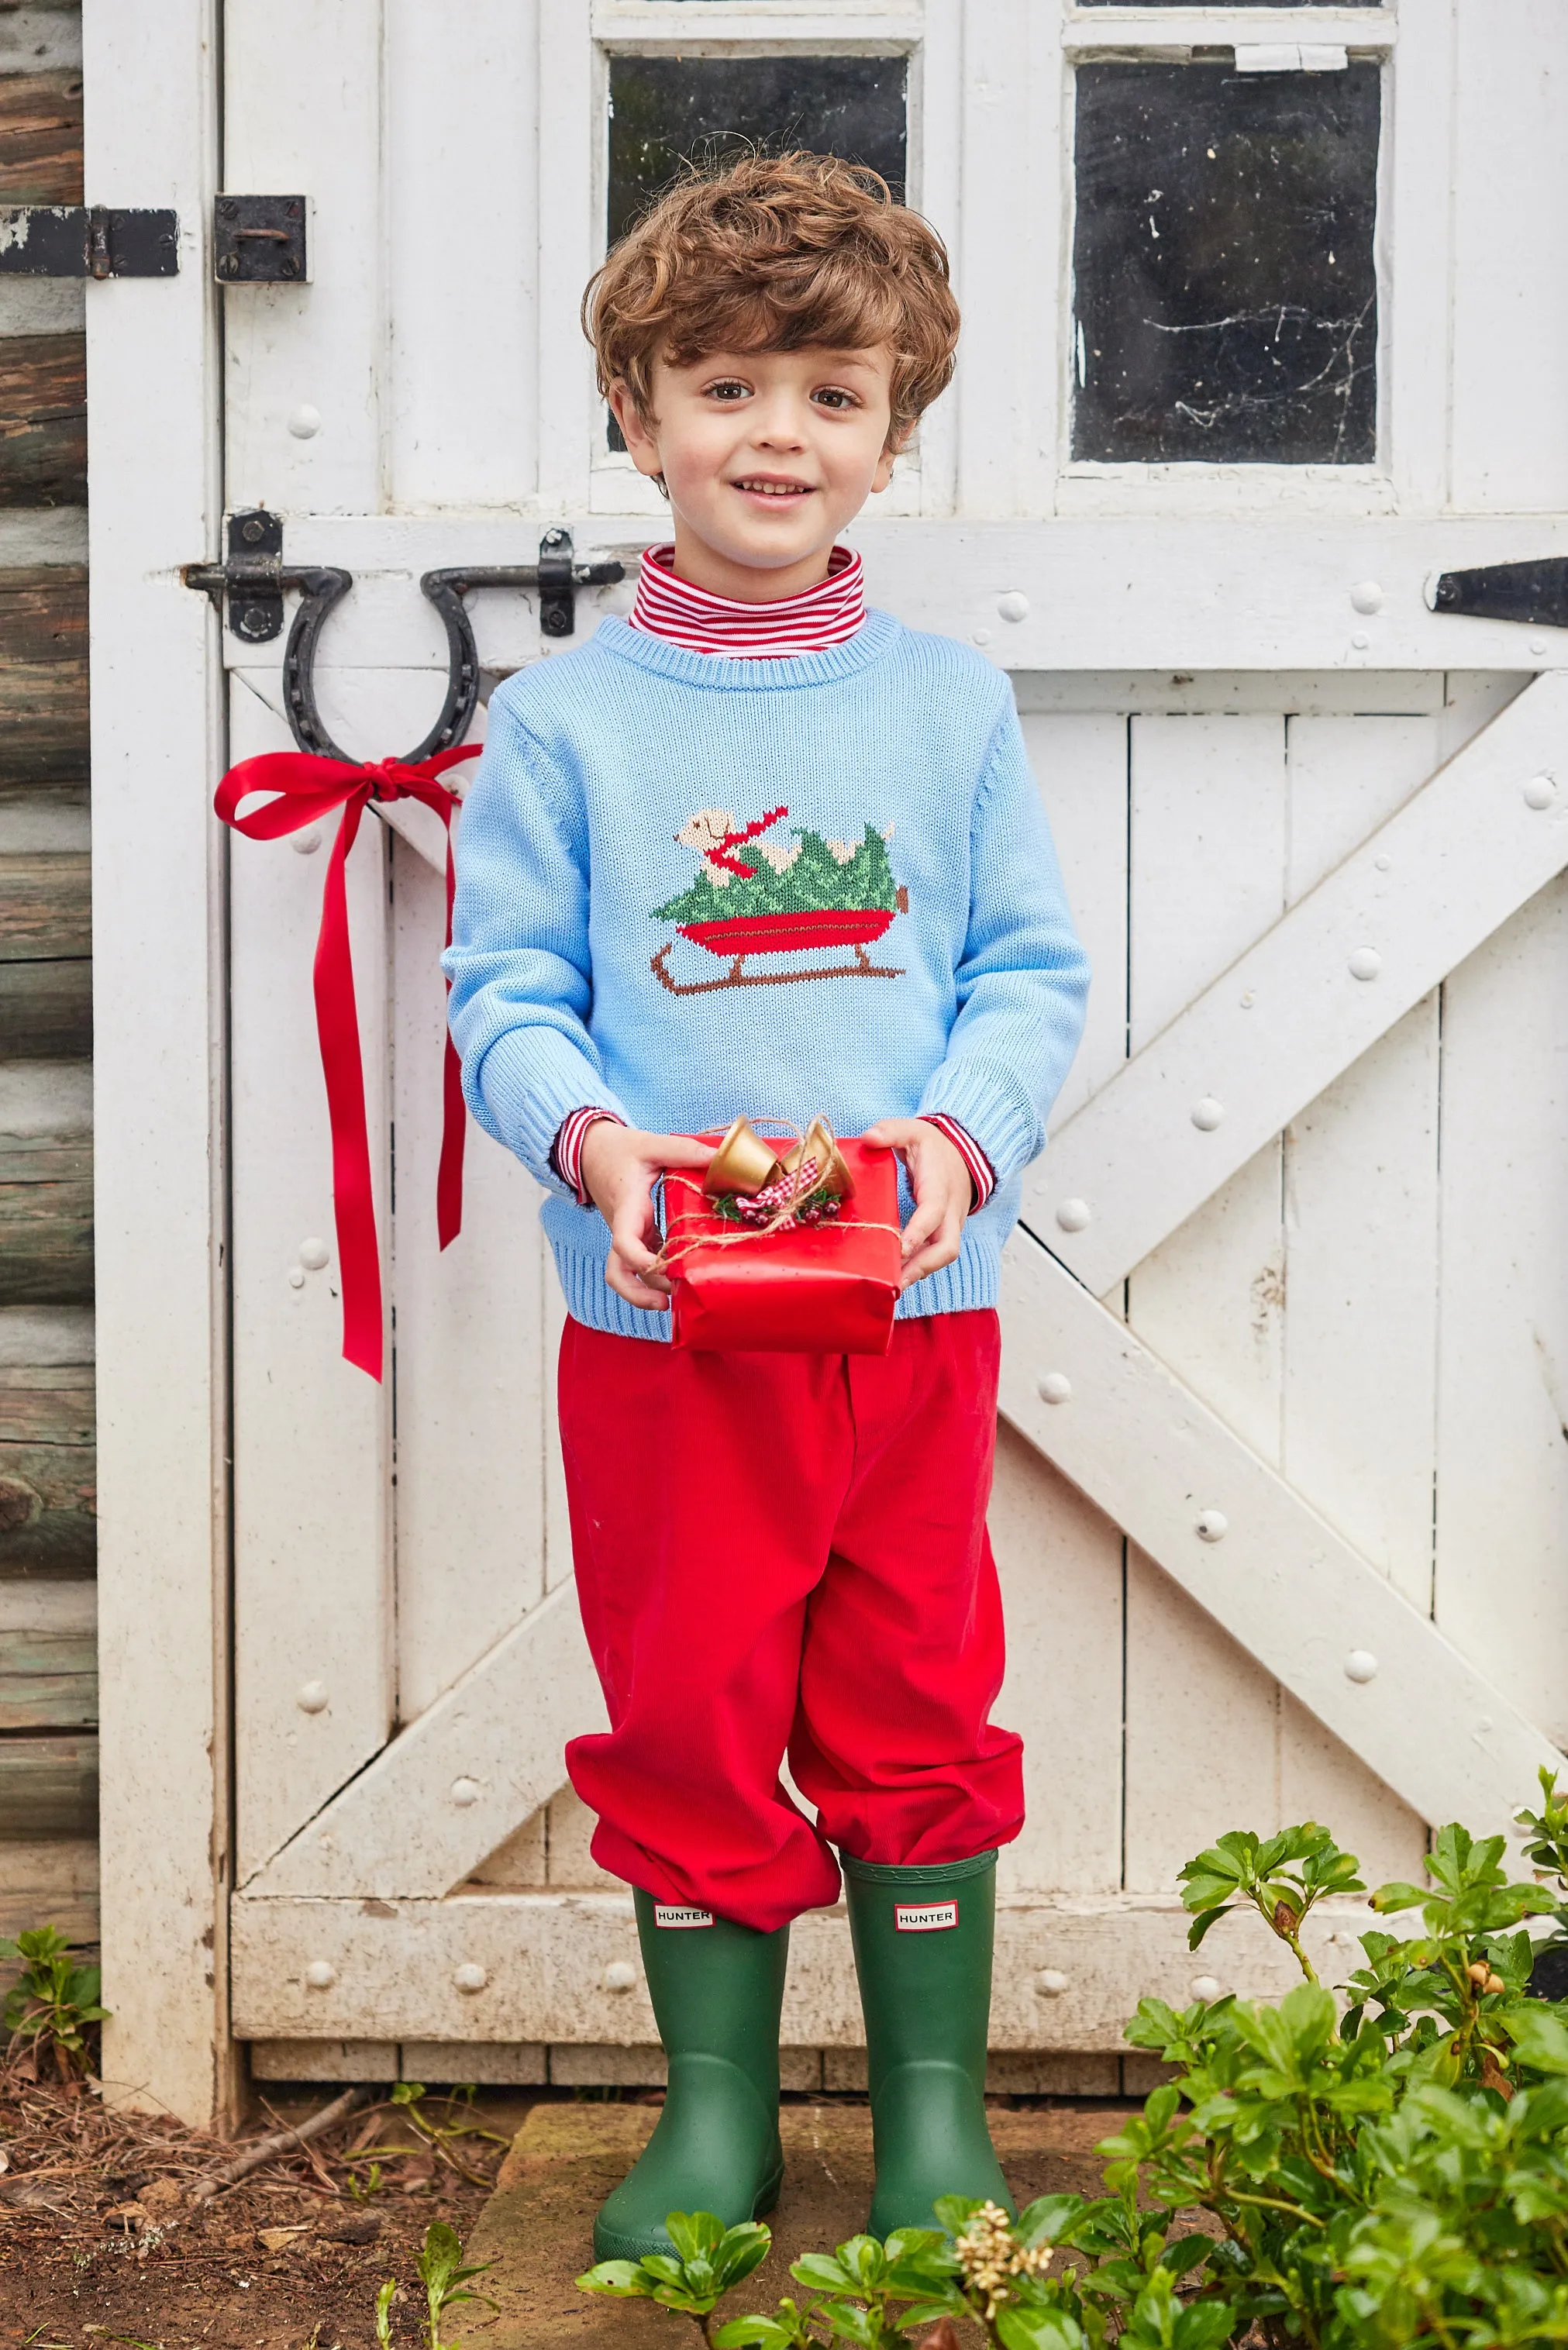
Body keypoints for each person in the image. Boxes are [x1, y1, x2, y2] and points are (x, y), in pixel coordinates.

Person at [444, 151, 1090, 2261]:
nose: (774, 434)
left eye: (828, 391)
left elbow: (1022, 978)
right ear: (634, 414)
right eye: (723, 386)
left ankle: (933, 2116)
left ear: (892, 431)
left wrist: (955, 1152)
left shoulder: (944, 708)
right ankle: (710, 2119)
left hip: (908, 1312)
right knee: (691, 1694)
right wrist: (598, 1148)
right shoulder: (557, 732)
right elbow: (506, 999)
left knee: (908, 1690)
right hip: (664, 1332)